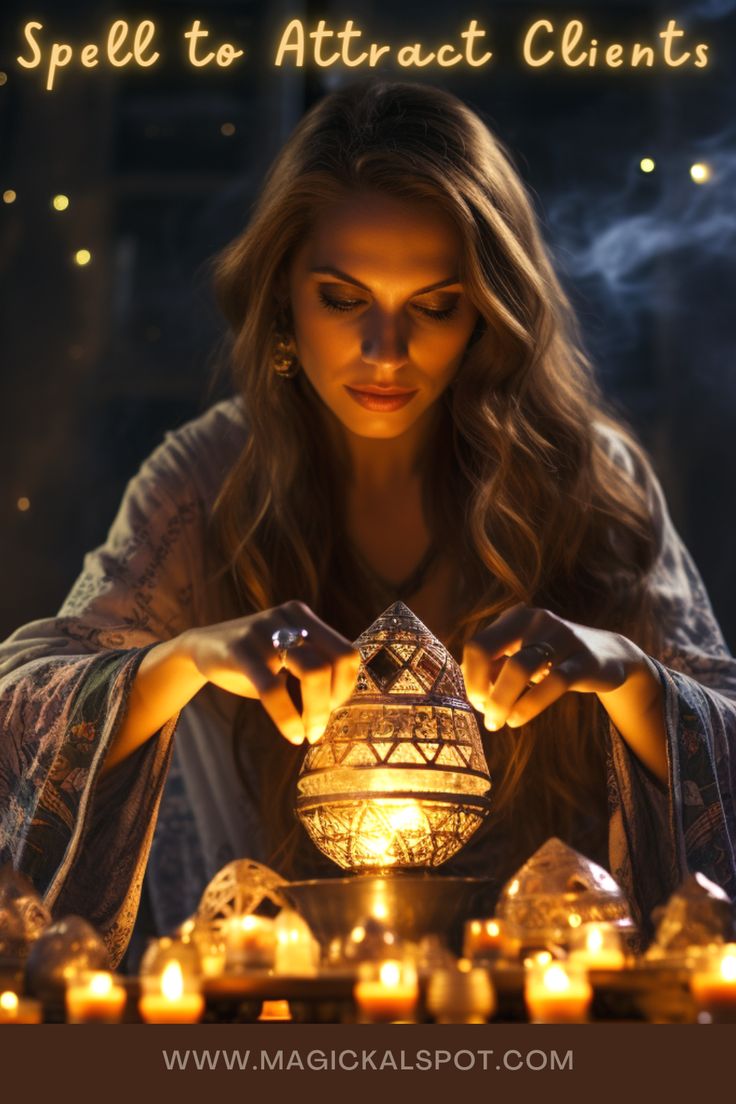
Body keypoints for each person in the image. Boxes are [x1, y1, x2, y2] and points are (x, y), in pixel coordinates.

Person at [1, 81, 734, 969]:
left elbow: (722, 735)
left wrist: (625, 676)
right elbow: (25, 703)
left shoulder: (587, 484)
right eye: (343, 299)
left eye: (433, 305)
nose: (385, 352)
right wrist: (189, 658)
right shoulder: (207, 480)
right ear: (281, 302)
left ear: (488, 316)